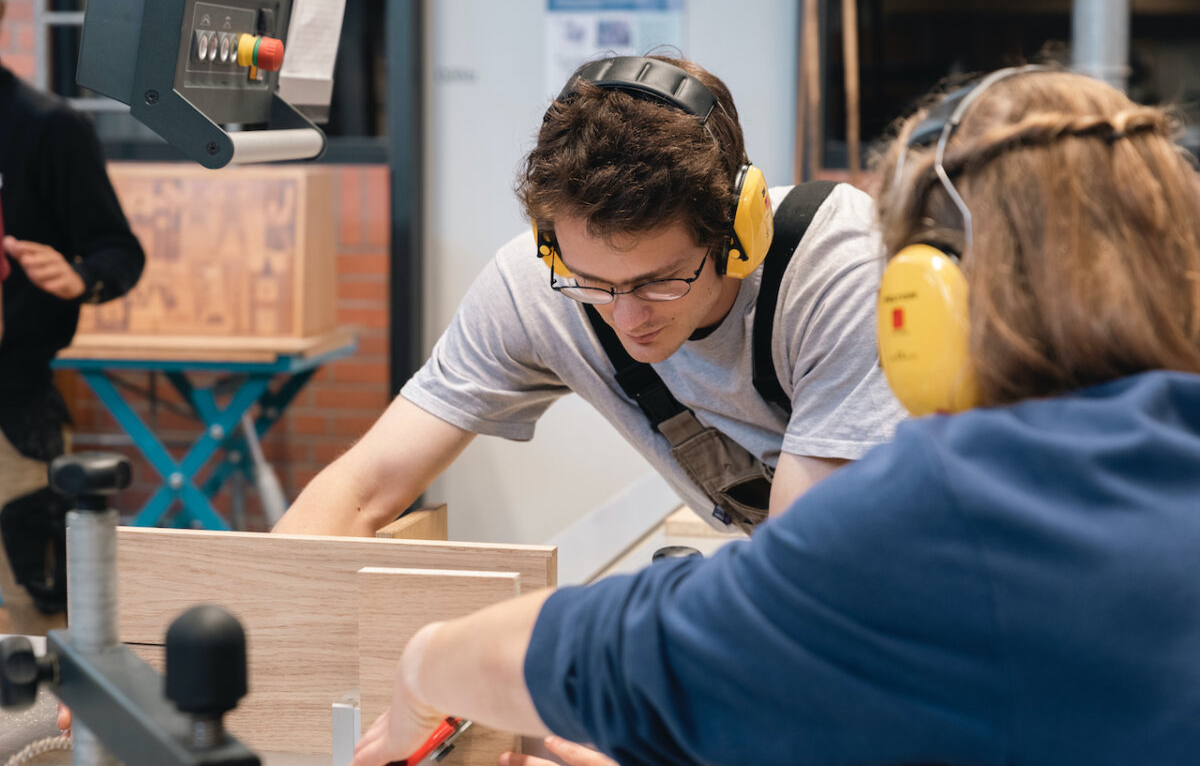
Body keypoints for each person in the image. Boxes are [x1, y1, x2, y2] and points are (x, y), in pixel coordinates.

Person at [348, 66, 1200, 766]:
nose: (630, 311)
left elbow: (679, 644)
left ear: (920, 305)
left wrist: (426, 664)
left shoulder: (952, 507)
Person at [275, 54, 905, 538]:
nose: (627, 317)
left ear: (740, 230)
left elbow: (809, 560)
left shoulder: (837, 269)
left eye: (660, 280)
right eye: (593, 283)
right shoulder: (540, 279)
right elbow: (363, 490)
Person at [0, 0, 146, 635]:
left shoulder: (47, 128)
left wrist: (78, 275)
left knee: (32, 636)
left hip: (15, 419)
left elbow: (120, 252)